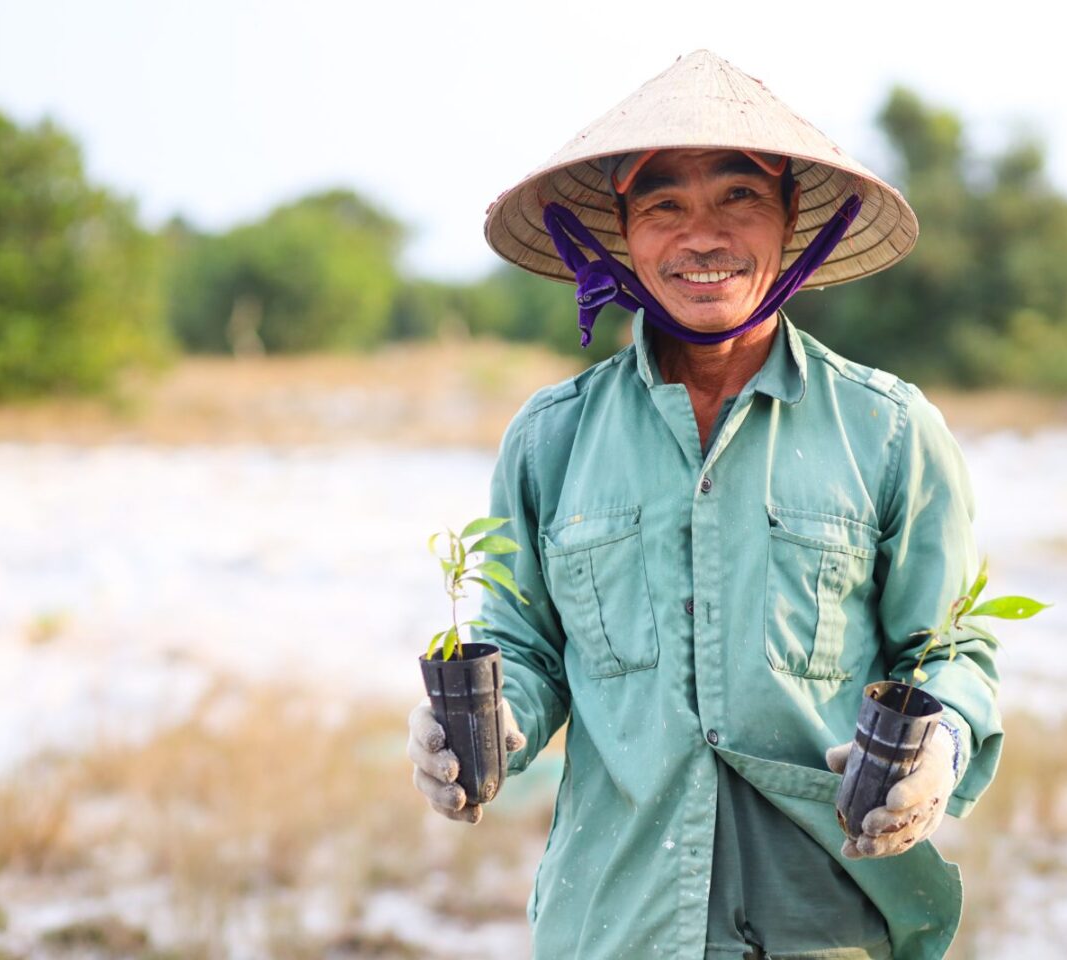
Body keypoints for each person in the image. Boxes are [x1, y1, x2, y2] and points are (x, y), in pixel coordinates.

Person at [407, 50, 1001, 960]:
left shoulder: (889, 430)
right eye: (663, 205)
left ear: (793, 219)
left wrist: (942, 744)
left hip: (827, 921)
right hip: (613, 922)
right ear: (621, 235)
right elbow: (524, 647)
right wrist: (488, 727)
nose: (702, 236)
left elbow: (948, 648)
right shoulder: (551, 439)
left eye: (739, 198)